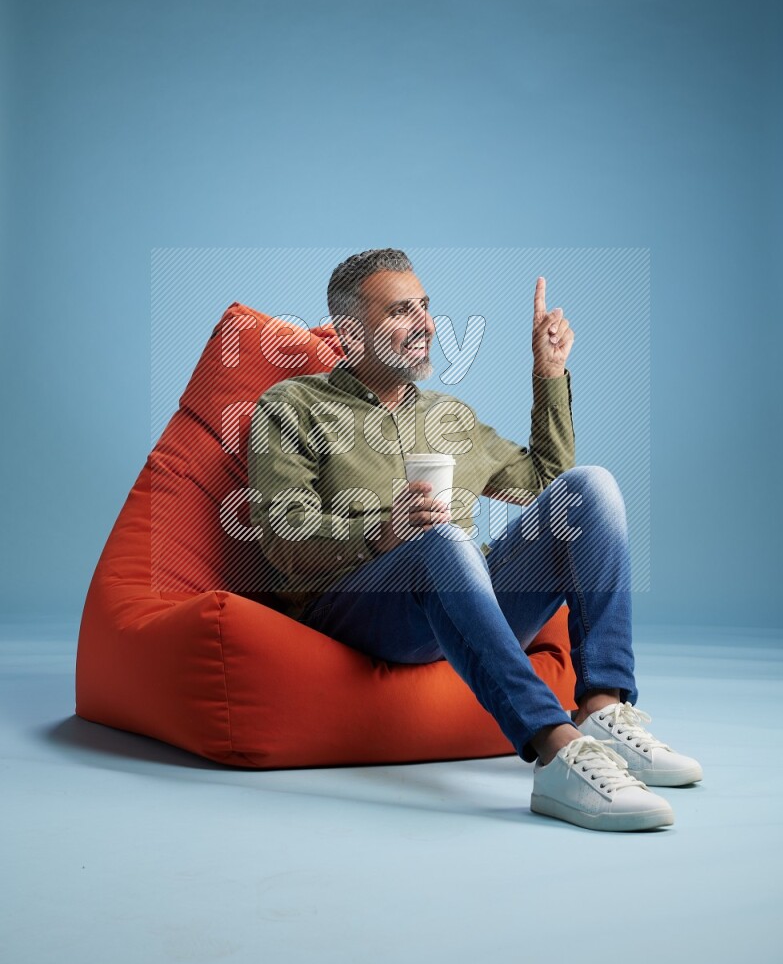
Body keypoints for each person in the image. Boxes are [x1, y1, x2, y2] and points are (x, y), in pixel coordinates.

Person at [247, 248, 702, 832]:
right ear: (350, 331)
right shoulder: (292, 405)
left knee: (590, 488)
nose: (426, 325)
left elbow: (547, 484)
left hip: (464, 603)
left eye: (426, 308)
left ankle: (602, 709)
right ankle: (557, 751)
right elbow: (281, 538)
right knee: (443, 542)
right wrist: (380, 533)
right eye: (401, 312)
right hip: (362, 612)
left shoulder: (451, 417)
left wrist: (549, 375)